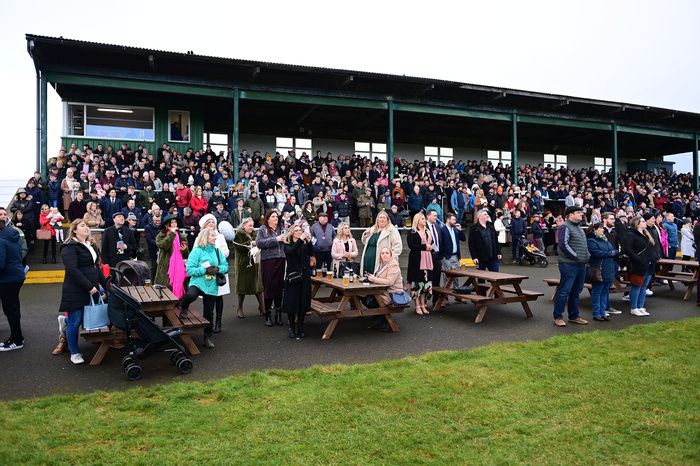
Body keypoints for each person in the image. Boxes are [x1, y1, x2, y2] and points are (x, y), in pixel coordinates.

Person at [58, 219, 108, 363]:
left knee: (87, 318)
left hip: (92, 287)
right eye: (82, 226)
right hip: (75, 290)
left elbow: (96, 267)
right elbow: (72, 270)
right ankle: (74, 353)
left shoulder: (91, 244)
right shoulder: (69, 246)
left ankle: (65, 321)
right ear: (74, 230)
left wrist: (105, 285)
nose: (86, 228)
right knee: (75, 322)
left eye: (87, 225)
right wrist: (89, 286)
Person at [181, 228, 229, 349]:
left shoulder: (217, 251)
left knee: (208, 312)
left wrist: (217, 269)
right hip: (198, 282)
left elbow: (226, 266)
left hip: (212, 285)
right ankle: (184, 306)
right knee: (191, 295)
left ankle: (207, 337)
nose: (215, 237)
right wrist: (205, 270)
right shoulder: (197, 251)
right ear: (205, 237)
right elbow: (189, 270)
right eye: (212, 235)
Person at [552, 206, 590, 327]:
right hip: (569, 264)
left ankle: (574, 316)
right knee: (564, 291)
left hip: (581, 264)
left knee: (576, 291)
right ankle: (557, 317)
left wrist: (586, 255)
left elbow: (584, 245)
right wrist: (576, 256)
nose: (581, 215)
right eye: (578, 213)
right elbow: (563, 244)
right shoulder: (565, 227)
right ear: (571, 215)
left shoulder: (579, 228)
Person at [282, 222, 314, 338]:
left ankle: (300, 326)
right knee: (292, 302)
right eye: (296, 231)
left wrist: (309, 241)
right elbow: (291, 252)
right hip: (293, 276)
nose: (299, 232)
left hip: (304, 276)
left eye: (300, 231)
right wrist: (301, 239)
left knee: (303, 302)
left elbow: (312, 252)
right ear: (291, 233)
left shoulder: (304, 244)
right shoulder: (288, 244)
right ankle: (291, 327)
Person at [199, 213, 230, 333]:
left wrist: (216, 259)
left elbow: (226, 251)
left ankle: (218, 321)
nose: (212, 224)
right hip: (206, 270)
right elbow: (197, 252)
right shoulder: (199, 237)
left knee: (218, 297)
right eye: (209, 222)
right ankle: (208, 321)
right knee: (207, 297)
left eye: (213, 222)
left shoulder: (220, 237)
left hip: (218, 269)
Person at [256, 210, 286, 327]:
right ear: (268, 219)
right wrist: (276, 239)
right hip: (268, 260)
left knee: (279, 286)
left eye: (276, 217)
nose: (276, 218)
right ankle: (267, 314)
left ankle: (278, 314)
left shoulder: (281, 228)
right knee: (269, 286)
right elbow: (259, 243)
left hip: (281, 259)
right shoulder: (263, 229)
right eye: (273, 216)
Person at [0, 216, 26, 351]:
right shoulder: (12, 235)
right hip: (17, 275)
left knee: (10, 310)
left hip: (7, 279)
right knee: (13, 308)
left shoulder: (1, 239)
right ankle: (17, 337)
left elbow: (0, 264)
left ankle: (16, 339)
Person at [622, 216, 655, 316]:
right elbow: (627, 249)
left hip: (648, 264)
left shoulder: (646, 234)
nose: (645, 223)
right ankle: (634, 307)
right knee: (636, 286)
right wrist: (638, 259)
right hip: (637, 265)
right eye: (643, 221)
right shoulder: (631, 234)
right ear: (637, 223)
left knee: (644, 286)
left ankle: (640, 306)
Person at [232, 217, 265, 319]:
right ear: (244, 225)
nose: (252, 227)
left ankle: (262, 307)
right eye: (250, 225)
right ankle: (239, 308)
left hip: (255, 264)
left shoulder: (255, 234)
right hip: (243, 265)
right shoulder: (238, 235)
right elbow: (240, 247)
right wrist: (252, 243)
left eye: (252, 225)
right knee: (242, 288)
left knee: (258, 287)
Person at [586, 222, 618, 321]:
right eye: (600, 228)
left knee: (604, 292)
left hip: (608, 268)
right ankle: (597, 313)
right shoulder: (591, 241)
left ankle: (603, 312)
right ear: (595, 229)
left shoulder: (605, 240)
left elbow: (612, 250)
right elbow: (596, 253)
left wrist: (613, 252)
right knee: (597, 292)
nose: (603, 230)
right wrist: (611, 253)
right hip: (598, 269)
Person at [406, 212, 434, 316]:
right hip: (416, 260)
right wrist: (424, 247)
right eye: (422, 219)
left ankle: (423, 304)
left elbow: (432, 242)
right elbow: (411, 245)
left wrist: (430, 247)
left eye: (424, 219)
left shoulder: (427, 231)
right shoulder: (412, 232)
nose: (425, 220)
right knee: (417, 283)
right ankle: (417, 305)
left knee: (425, 283)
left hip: (427, 259)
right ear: (417, 220)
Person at [154, 215, 189, 295]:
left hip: (179, 266)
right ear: (166, 225)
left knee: (181, 287)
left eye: (175, 222)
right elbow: (163, 246)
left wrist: (184, 250)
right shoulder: (161, 235)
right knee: (166, 290)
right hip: (166, 267)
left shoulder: (181, 237)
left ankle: (179, 304)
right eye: (171, 223)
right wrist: (172, 234)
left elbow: (186, 254)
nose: (174, 224)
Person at [360, 210, 402, 275]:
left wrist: (390, 259)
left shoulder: (392, 230)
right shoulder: (372, 229)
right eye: (380, 217)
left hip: (382, 261)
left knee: (378, 280)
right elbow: (364, 242)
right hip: (368, 260)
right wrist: (365, 235)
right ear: (377, 219)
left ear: (388, 220)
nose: (382, 219)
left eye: (384, 218)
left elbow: (398, 246)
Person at [440, 212, 466, 286]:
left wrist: (460, 230)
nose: (455, 221)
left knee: (456, 276)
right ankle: (445, 294)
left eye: (455, 219)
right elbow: (441, 244)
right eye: (453, 220)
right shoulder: (443, 230)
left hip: (456, 256)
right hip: (447, 256)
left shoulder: (455, 229)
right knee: (447, 276)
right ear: (448, 220)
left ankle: (456, 291)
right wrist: (443, 256)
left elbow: (463, 239)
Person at [425, 209, 444, 295]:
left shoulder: (437, 226)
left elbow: (440, 241)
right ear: (428, 216)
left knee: (437, 279)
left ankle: (436, 300)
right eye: (434, 216)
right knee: (428, 278)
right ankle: (426, 298)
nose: (436, 217)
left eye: (436, 216)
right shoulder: (424, 227)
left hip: (437, 256)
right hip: (428, 256)